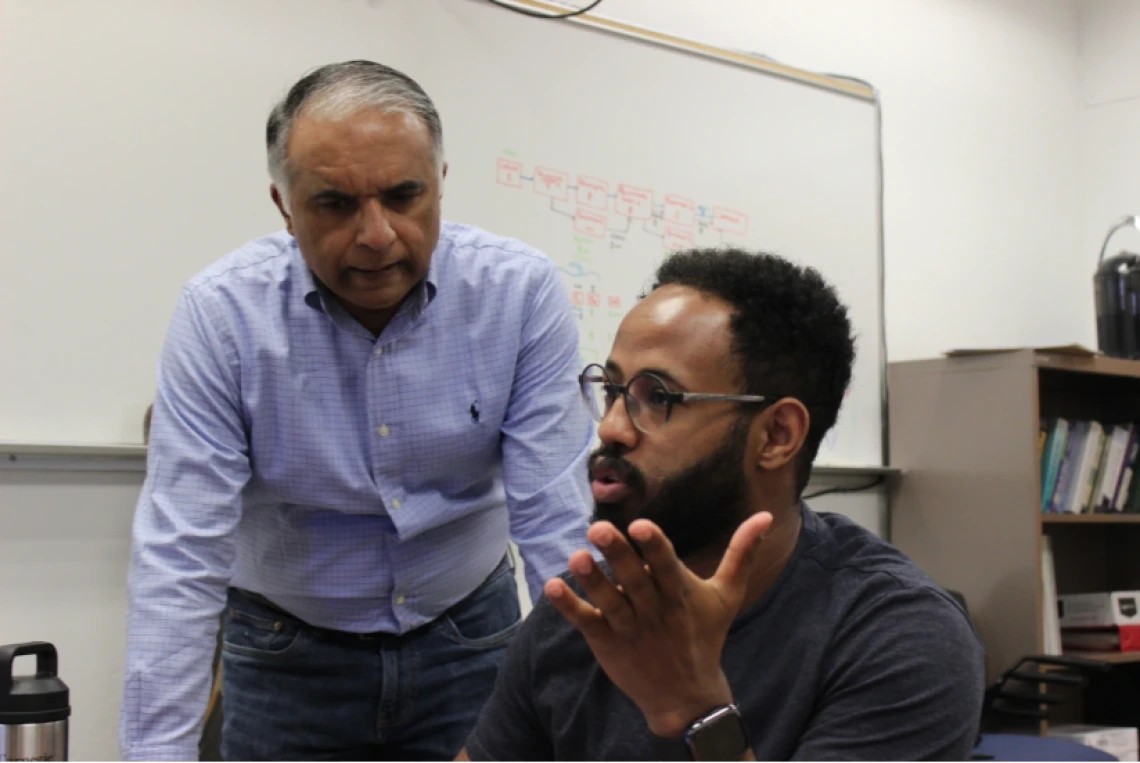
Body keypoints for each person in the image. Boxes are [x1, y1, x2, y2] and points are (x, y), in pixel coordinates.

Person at [119, 60, 594, 761]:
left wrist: (589, 724)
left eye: (404, 196)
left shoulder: (519, 294)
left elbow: (558, 525)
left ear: (440, 183)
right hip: (287, 650)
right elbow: (181, 554)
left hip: (469, 635)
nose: (377, 235)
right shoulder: (222, 315)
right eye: (335, 203)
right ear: (284, 205)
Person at [461, 249, 986, 761]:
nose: (610, 428)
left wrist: (697, 711)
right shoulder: (584, 608)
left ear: (777, 435)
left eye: (658, 397)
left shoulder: (899, 637)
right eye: (612, 390)